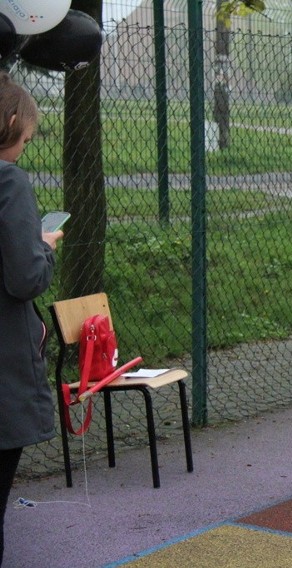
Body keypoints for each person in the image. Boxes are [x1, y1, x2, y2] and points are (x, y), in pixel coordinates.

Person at [0, 71, 63, 565]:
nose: (24, 147)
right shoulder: (8, 182)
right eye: (25, 138)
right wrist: (42, 249)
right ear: (13, 122)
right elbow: (25, 279)